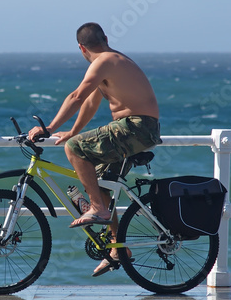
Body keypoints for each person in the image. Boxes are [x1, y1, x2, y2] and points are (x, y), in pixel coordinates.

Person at [28, 22, 162, 276]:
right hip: (137, 128)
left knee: (74, 149)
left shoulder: (103, 62)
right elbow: (89, 102)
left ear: (81, 48)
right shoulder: (113, 62)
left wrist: (49, 128)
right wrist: (72, 131)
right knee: (101, 185)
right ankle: (118, 249)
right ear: (105, 38)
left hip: (136, 127)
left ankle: (97, 209)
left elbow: (76, 96)